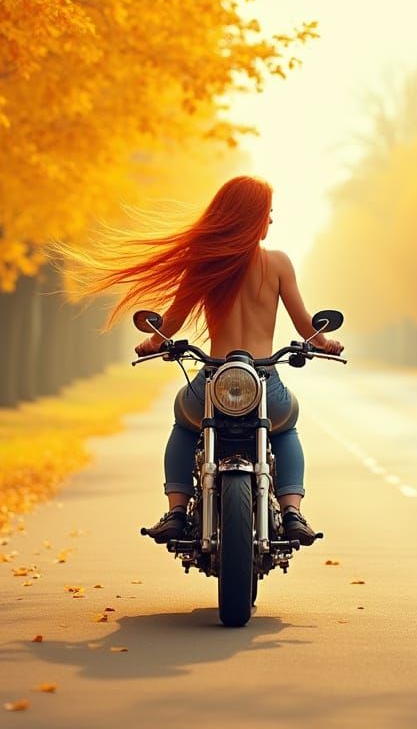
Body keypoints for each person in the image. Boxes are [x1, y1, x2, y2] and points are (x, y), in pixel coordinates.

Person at [66, 175, 343, 545]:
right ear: (252, 216)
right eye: (267, 212)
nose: (271, 220)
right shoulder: (278, 263)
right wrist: (326, 342)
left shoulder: (206, 263)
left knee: (185, 423)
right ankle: (292, 511)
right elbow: (307, 326)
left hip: (214, 379)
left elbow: (170, 324)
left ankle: (176, 512)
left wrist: (152, 342)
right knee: (285, 426)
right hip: (264, 380)